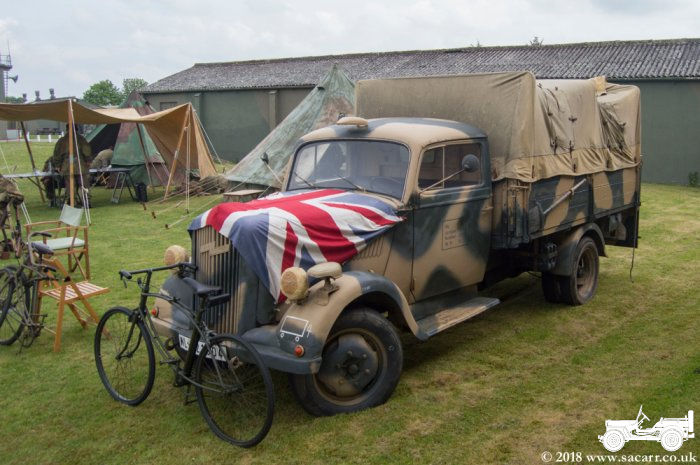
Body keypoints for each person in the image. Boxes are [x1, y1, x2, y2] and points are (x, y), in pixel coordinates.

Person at [42, 124, 92, 205]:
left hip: (67, 166)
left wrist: (58, 165)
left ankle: (72, 201)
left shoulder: (62, 140)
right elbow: (87, 151)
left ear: (66, 129)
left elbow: (57, 154)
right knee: (84, 184)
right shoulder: (81, 139)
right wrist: (88, 160)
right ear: (77, 129)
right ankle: (86, 201)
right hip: (80, 165)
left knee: (70, 185)